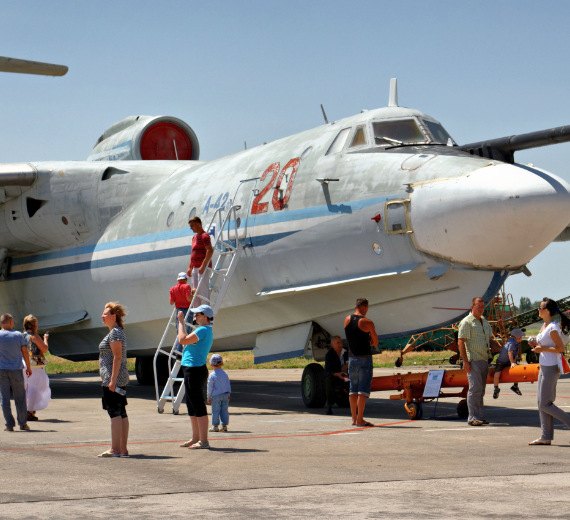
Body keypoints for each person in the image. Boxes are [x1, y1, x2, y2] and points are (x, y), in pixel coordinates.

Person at [528, 298, 570, 445]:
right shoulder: (544, 326)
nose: (538, 309)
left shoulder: (552, 328)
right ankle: (545, 436)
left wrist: (542, 349)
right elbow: (545, 345)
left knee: (545, 404)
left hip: (552, 367)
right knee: (541, 402)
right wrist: (536, 344)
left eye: (540, 307)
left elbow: (561, 348)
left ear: (546, 310)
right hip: (545, 366)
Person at [178, 304, 214, 449]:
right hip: (190, 369)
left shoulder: (203, 330)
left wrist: (180, 322)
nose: (194, 317)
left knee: (197, 404)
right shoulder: (203, 330)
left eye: (197, 315)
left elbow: (182, 339)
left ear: (204, 316)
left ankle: (203, 440)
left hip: (194, 370)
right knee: (191, 404)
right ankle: (196, 438)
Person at [98, 302, 130, 458]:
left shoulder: (115, 333)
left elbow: (117, 357)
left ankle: (115, 449)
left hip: (113, 378)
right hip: (117, 378)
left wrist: (112, 380)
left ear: (113, 316)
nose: (102, 316)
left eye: (105, 314)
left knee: (114, 413)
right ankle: (122, 449)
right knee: (121, 412)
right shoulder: (115, 332)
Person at [458, 297, 495, 426]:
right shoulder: (466, 322)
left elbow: (490, 341)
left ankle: (479, 416)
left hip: (484, 360)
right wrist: (465, 361)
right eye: (478, 306)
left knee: (481, 390)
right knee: (474, 389)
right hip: (473, 360)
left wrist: (503, 349)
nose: (481, 309)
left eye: (482, 306)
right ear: (472, 307)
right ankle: (472, 417)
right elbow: (461, 341)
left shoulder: (485, 322)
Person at [344, 298, 378, 427]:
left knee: (353, 389)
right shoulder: (367, 322)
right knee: (363, 390)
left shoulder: (347, 319)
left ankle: (353, 419)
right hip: (364, 358)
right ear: (365, 307)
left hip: (352, 358)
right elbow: (375, 342)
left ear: (355, 307)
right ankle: (360, 419)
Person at [0, 314, 32, 431]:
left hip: (2, 369)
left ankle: (9, 425)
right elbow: (24, 352)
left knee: (4, 398)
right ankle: (23, 423)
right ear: (11, 322)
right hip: (16, 369)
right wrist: (28, 367)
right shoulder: (18, 335)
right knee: (20, 397)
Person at [22, 315, 51, 421]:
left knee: (27, 387)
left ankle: (25, 410)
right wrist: (45, 339)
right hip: (34, 365)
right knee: (37, 387)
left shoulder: (21, 335)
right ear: (33, 325)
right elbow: (44, 349)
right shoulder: (35, 336)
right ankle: (29, 411)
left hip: (23, 363)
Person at [187, 216, 214, 307]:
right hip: (195, 267)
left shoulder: (204, 236)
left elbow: (210, 250)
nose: (191, 228)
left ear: (198, 224)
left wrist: (203, 265)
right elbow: (193, 253)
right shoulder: (194, 237)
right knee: (195, 291)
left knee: (203, 290)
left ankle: (204, 311)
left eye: (192, 226)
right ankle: (197, 314)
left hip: (202, 267)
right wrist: (189, 267)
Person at [492, 328, 524, 399]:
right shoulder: (511, 343)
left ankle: (515, 386)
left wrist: (514, 362)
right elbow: (510, 352)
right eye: (521, 336)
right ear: (519, 337)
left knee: (516, 371)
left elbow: (514, 354)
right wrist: (512, 363)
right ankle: (496, 388)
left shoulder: (517, 343)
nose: (522, 338)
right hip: (502, 361)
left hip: (509, 361)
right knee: (497, 374)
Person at [170, 272, 195, 353]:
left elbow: (171, 302)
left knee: (180, 331)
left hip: (178, 311)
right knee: (187, 331)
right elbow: (189, 299)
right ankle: (186, 350)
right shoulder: (187, 286)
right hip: (187, 310)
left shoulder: (173, 289)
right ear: (186, 279)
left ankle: (178, 350)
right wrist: (194, 293)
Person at [324, 335, 349, 415]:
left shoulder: (346, 352)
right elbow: (327, 371)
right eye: (338, 343)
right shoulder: (329, 355)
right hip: (336, 376)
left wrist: (347, 366)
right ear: (332, 344)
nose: (340, 344)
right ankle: (330, 406)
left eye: (341, 342)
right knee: (329, 381)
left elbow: (353, 361)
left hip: (347, 376)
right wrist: (337, 374)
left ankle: (356, 405)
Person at [207, 353, 231, 432]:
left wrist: (208, 396)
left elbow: (210, 387)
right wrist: (228, 394)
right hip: (225, 394)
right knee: (224, 410)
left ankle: (215, 426)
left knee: (215, 411)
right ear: (222, 363)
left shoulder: (212, 375)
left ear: (211, 364)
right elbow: (228, 384)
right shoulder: (225, 374)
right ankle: (224, 426)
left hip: (216, 395)